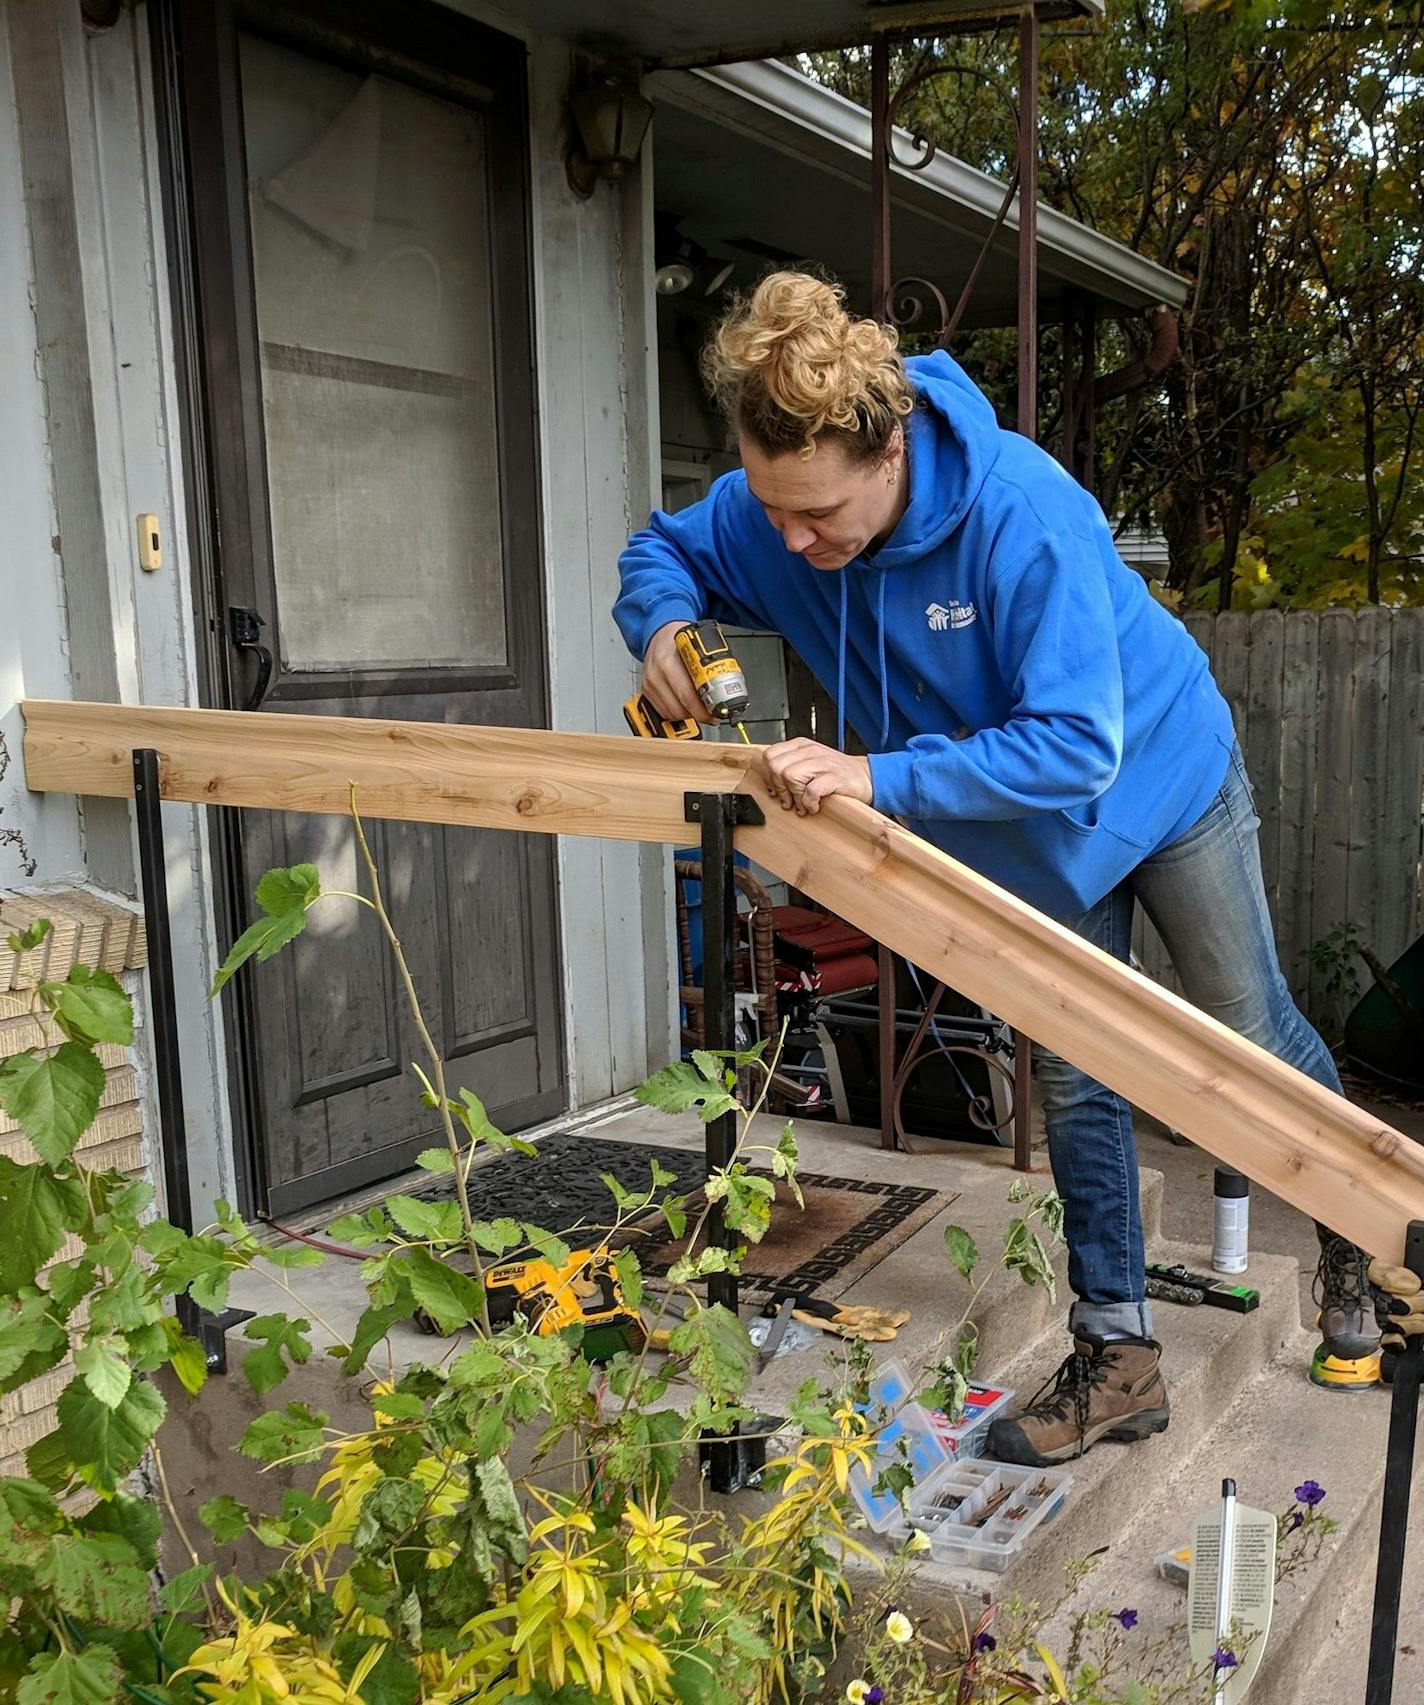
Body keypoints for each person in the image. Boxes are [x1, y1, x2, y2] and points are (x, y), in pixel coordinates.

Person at [614, 270, 1381, 1466]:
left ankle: (1354, 1233)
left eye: (814, 515)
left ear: (886, 449)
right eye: (770, 514)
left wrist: (881, 779)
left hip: (1157, 778)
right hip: (1024, 838)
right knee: (1078, 1082)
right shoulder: (784, 512)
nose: (789, 543)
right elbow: (663, 544)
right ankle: (1118, 1358)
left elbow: (1080, 741)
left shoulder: (1019, 510)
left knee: (1244, 1033)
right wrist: (662, 626)